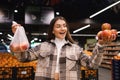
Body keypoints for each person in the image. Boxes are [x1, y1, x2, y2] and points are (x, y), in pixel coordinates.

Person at [10, 16, 116, 80]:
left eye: (64, 26)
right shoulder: (43, 46)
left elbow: (92, 65)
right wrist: (18, 36)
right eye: (58, 26)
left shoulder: (75, 49)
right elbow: (23, 58)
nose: (62, 28)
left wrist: (100, 45)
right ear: (52, 30)